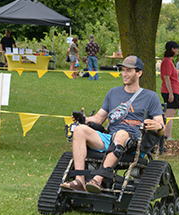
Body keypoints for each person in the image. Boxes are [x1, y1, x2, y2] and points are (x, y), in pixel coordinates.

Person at [60, 56, 165, 192]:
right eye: (123, 70)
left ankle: (97, 180)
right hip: (111, 139)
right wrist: (84, 119)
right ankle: (79, 181)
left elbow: (161, 127)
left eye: (129, 71)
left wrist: (158, 126)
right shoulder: (113, 93)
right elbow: (98, 119)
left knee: (121, 134)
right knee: (80, 130)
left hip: (134, 143)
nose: (124, 74)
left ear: (139, 73)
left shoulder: (151, 97)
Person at [160, 41, 179, 140]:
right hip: (170, 90)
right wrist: (171, 93)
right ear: (173, 49)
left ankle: (167, 134)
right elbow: (166, 77)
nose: (178, 50)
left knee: (171, 113)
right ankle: (167, 135)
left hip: (173, 89)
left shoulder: (169, 61)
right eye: (177, 48)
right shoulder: (167, 61)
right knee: (169, 114)